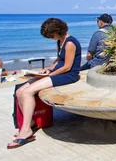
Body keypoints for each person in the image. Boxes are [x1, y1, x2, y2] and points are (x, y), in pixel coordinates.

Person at [9, 18, 82, 149]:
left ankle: (26, 131)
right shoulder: (61, 42)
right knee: (20, 92)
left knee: (27, 92)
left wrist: (48, 75)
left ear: (57, 31)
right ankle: (30, 123)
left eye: (51, 35)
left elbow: (67, 66)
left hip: (68, 75)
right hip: (58, 72)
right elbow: (59, 60)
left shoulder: (70, 43)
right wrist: (48, 69)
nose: (51, 38)